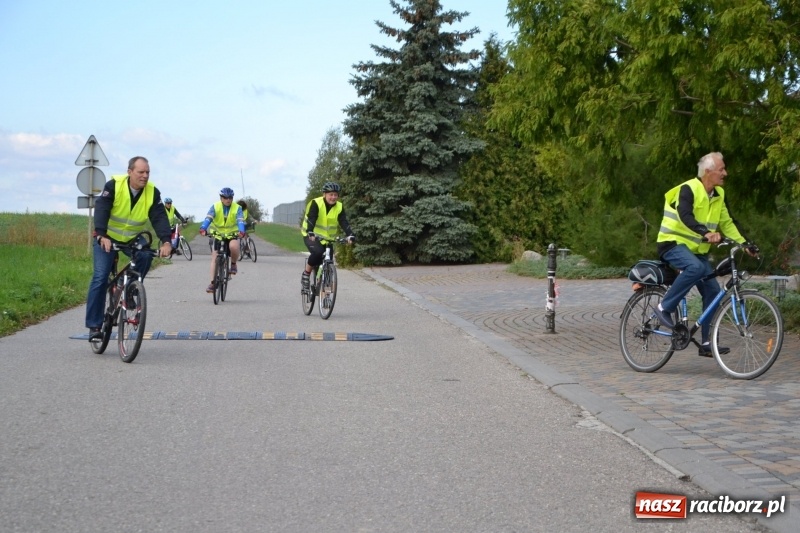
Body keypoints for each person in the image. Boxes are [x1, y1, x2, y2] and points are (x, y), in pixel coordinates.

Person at [653, 152, 755, 357]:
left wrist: (745, 244)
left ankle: (708, 342)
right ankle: (663, 307)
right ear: (708, 171)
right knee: (696, 268)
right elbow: (685, 215)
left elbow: (727, 222)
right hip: (672, 244)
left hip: (695, 251)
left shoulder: (718, 195)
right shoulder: (688, 188)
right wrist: (706, 233)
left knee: (712, 292)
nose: (725, 173)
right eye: (721, 169)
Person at [85, 156, 173, 339]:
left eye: (147, 172)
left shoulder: (152, 192)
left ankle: (130, 288)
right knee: (100, 277)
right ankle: (94, 326)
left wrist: (166, 241)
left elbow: (159, 218)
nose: (145, 176)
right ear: (130, 172)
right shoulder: (114, 186)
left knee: (146, 255)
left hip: (131, 238)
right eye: (141, 172)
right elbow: (101, 208)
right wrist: (101, 234)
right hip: (107, 238)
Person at [300, 181, 356, 290]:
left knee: (329, 265)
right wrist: (310, 231)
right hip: (312, 235)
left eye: (335, 195)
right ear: (324, 194)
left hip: (328, 239)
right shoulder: (316, 203)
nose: (333, 197)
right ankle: (306, 274)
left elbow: (343, 222)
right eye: (331, 194)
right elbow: (312, 218)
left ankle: (325, 296)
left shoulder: (339, 207)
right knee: (318, 252)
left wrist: (350, 235)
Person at [199, 187, 245, 293]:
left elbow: (240, 221)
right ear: (221, 198)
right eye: (225, 197)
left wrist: (241, 231)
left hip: (232, 234)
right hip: (218, 235)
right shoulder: (215, 206)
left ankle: (233, 264)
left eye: (230, 197)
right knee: (215, 258)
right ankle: (212, 283)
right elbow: (208, 218)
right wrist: (203, 228)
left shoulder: (237, 208)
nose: (228, 200)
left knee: (234, 246)